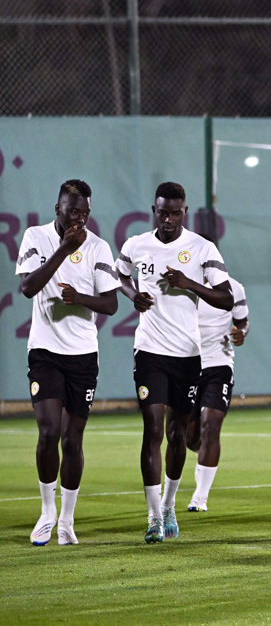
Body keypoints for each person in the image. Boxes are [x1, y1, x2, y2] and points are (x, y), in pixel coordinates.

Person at [116, 182, 234, 543]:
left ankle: (168, 506)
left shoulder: (202, 248)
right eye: (162, 212)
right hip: (149, 350)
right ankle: (153, 516)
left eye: (176, 212)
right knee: (152, 429)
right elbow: (118, 275)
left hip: (188, 354)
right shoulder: (136, 245)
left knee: (176, 433)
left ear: (185, 210)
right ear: (153, 209)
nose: (168, 219)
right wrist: (133, 294)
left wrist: (188, 284)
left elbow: (226, 298)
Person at [17, 180, 120, 546]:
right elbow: (28, 287)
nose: (78, 218)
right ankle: (47, 512)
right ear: (57, 207)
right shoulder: (36, 237)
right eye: (71, 210)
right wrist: (63, 250)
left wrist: (81, 298)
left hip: (82, 356)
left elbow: (111, 304)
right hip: (44, 352)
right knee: (48, 432)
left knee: (72, 440)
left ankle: (67, 520)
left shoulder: (98, 246)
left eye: (84, 212)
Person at [184, 269, 249, 513]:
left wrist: (241, 333)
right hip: (187, 364)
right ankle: (203, 457)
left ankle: (200, 497)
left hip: (219, 364)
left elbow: (242, 320)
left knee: (211, 424)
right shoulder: (180, 286)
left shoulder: (233, 287)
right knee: (190, 437)